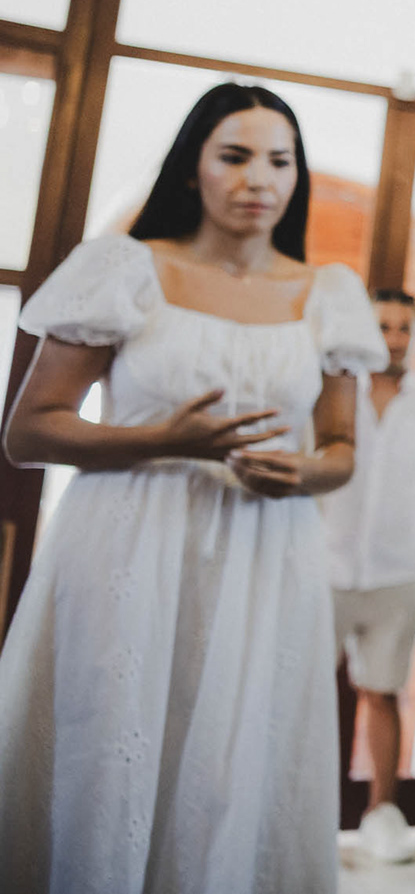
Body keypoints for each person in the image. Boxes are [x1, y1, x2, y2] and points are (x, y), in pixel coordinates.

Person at [0, 83, 385, 893]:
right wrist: (165, 440)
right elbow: (29, 430)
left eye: (279, 161)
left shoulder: (329, 294)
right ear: (192, 168)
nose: (259, 180)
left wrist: (301, 472)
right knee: (112, 739)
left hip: (264, 551)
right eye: (234, 157)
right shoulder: (125, 268)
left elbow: (342, 450)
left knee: (231, 761)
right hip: (126, 543)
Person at [320, 286, 415, 863]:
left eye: (405, 328)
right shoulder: (332, 392)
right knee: (303, 690)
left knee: (383, 693)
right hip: (324, 566)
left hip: (396, 572)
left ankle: (382, 814)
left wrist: (408, 519)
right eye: (384, 326)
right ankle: (296, 809)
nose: (395, 338)